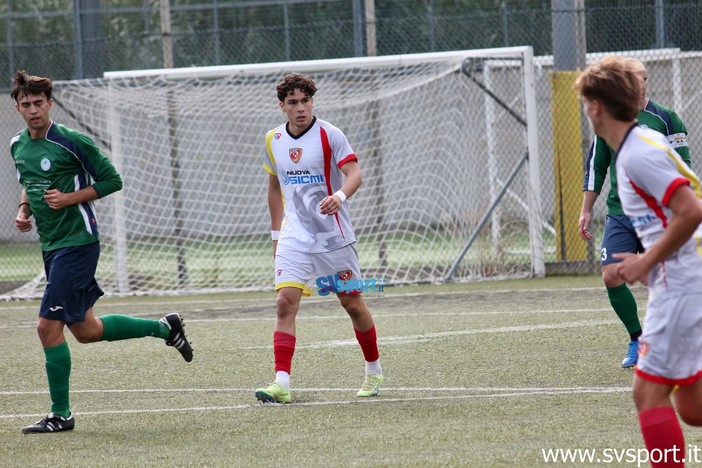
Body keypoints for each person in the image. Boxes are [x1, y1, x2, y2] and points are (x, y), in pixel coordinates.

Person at [10, 70, 193, 434]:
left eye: (38, 103)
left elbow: (112, 180)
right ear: (17, 107)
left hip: (78, 244)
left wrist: (69, 199)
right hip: (52, 247)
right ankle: (165, 328)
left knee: (47, 327)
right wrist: (24, 210)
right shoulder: (18, 144)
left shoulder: (71, 140)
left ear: (50, 103)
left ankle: (60, 415)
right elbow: (29, 184)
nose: (32, 110)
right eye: (25, 104)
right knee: (87, 330)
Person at [575, 55, 702, 467]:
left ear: (596, 106)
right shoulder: (631, 147)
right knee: (692, 409)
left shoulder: (638, 154)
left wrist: (647, 262)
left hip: (684, 285)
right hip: (681, 283)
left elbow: (691, 210)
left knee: (647, 393)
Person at [256, 72, 383, 403]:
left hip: (333, 238)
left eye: (306, 101)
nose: (301, 108)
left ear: (312, 101)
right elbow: (273, 187)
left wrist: (339, 197)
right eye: (294, 103)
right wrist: (275, 234)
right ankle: (281, 383)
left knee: (351, 302)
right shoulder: (273, 140)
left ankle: (373, 370)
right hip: (294, 237)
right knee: (285, 302)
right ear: (282, 106)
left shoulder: (330, 135)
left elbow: (355, 174)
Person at [578, 57, 690, 368]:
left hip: (670, 234)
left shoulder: (656, 131)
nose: (589, 110)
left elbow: (689, 198)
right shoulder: (618, 138)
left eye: (591, 103)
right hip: (621, 216)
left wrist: (650, 258)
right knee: (611, 273)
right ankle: (637, 338)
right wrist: (586, 209)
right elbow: (596, 167)